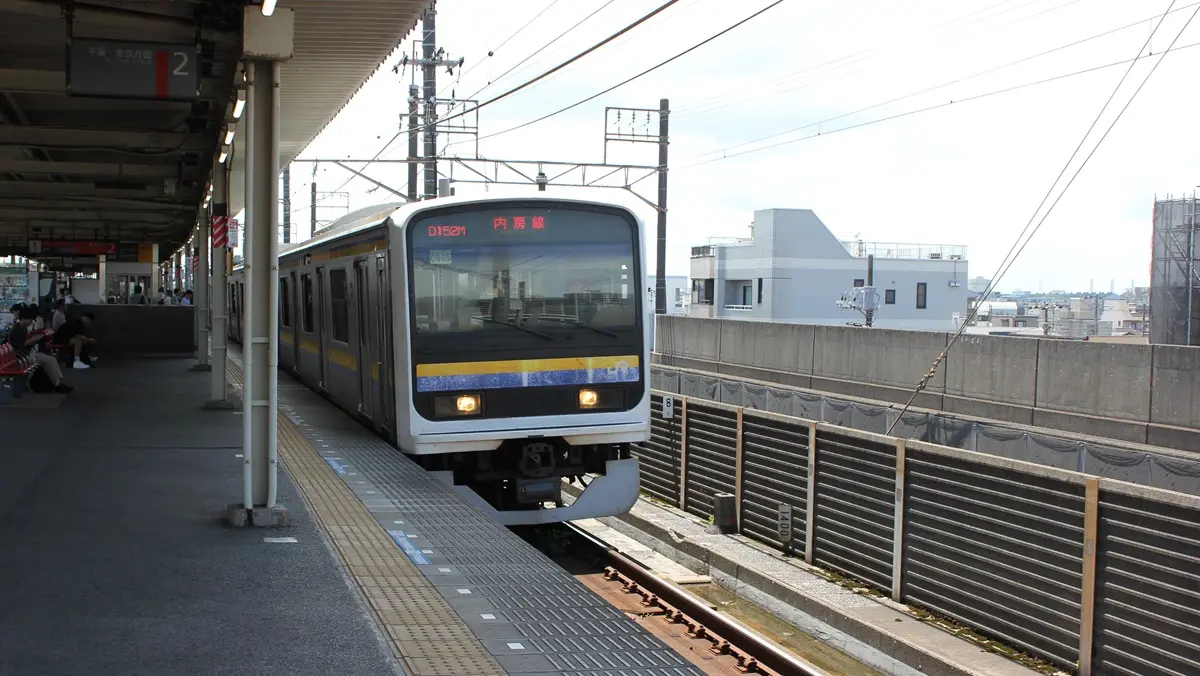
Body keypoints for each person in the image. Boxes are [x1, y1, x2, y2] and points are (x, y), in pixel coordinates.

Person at [5, 306, 71, 393]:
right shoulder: (16, 330)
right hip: (21, 357)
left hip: (25, 355)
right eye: (31, 319)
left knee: (51, 359)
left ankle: (58, 382)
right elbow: (20, 345)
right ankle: (57, 384)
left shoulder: (21, 328)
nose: (32, 321)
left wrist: (33, 340)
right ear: (24, 318)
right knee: (49, 360)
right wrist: (33, 340)